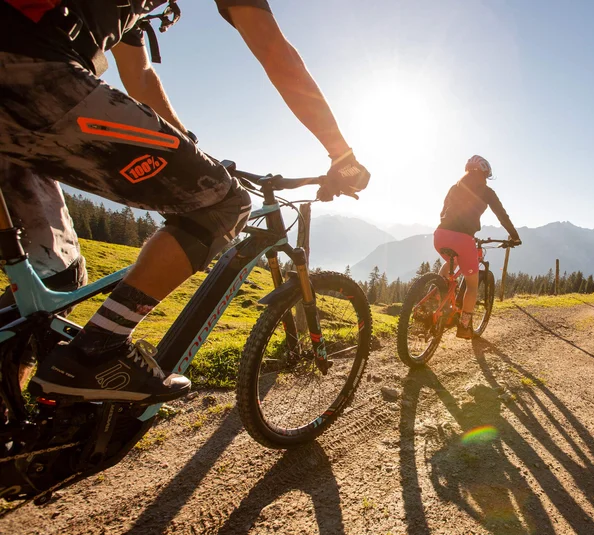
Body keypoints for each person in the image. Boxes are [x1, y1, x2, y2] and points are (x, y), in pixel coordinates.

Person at [0, 1, 370, 403]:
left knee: (55, 273)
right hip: (32, 67)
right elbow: (273, 50)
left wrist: (191, 151)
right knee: (222, 204)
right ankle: (97, 352)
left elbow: (140, 75)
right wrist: (341, 155)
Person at [434, 155, 521, 339]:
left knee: (452, 261)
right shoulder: (487, 191)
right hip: (464, 239)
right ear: (484, 173)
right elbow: (502, 215)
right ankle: (464, 327)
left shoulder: (455, 187)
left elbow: (443, 211)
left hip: (440, 235)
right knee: (472, 285)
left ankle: (433, 297)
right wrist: (514, 236)